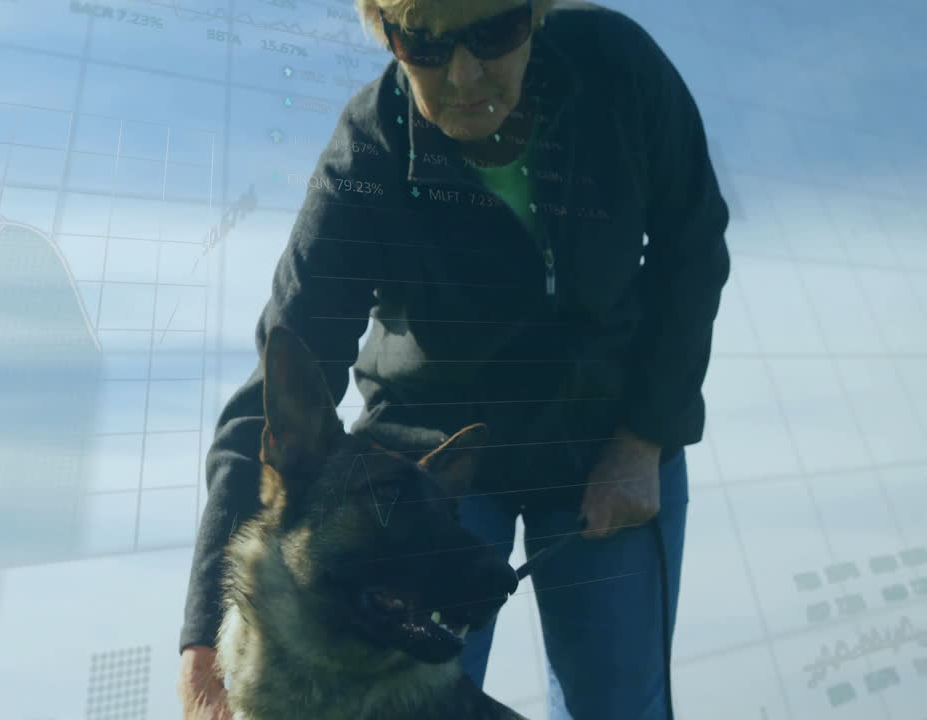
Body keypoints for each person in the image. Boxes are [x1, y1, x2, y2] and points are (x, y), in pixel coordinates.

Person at [176, 0, 730, 718]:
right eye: (425, 45)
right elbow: (281, 384)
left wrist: (645, 437)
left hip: (609, 442)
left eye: (493, 33)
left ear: (537, 14)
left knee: (617, 703)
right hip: (430, 473)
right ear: (388, 34)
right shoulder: (367, 151)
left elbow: (692, 247)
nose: (465, 75)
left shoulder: (618, 70)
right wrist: (201, 644)